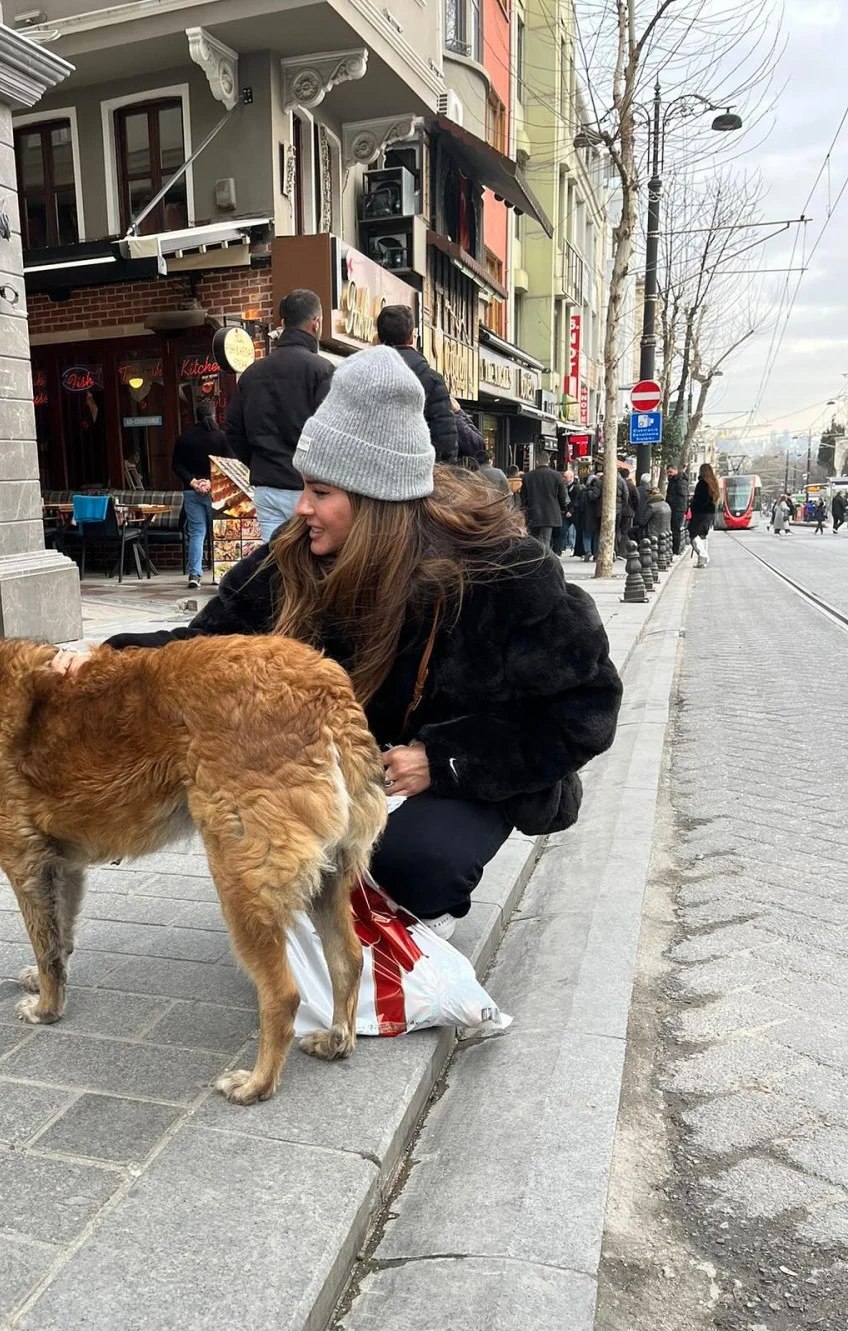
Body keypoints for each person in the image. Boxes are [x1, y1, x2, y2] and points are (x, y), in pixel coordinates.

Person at [53, 346, 622, 933]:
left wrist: (448, 761)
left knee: (414, 862)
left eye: (321, 492)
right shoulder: (292, 560)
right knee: (292, 850)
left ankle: (422, 909)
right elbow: (203, 649)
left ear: (377, 499)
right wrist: (106, 657)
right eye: (303, 487)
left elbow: (587, 708)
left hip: (467, 772)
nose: (302, 508)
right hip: (349, 769)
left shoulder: (502, 572)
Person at [225, 288, 334, 541]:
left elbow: (232, 429)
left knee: (274, 564)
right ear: (316, 322)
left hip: (267, 484)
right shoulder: (321, 370)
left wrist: (257, 462)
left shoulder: (252, 373)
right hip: (307, 486)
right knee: (312, 564)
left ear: (283, 323)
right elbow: (330, 431)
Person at [375, 304, 458, 464]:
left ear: (379, 338)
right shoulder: (432, 381)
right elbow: (445, 441)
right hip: (418, 476)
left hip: (372, 476)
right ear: (412, 337)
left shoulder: (365, 374)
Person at [172, 400, 232, 588]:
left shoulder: (184, 438)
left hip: (192, 491)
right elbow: (229, 464)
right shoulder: (222, 438)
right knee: (218, 534)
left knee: (197, 533)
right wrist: (211, 482)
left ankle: (194, 575)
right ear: (214, 415)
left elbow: (176, 465)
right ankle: (220, 574)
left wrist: (193, 481)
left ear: (196, 416)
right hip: (218, 492)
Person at [519, 454, 568, 548]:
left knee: (534, 540)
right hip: (550, 513)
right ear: (548, 462)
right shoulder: (556, 475)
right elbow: (562, 495)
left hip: (533, 512)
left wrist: (524, 509)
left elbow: (523, 497)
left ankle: (536, 559)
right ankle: (544, 558)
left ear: (536, 462)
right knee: (546, 539)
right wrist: (563, 508)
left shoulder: (528, 476)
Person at [689, 463, 719, 565]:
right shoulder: (713, 483)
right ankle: (702, 559)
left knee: (693, 535)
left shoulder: (702, 483)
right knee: (702, 535)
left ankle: (703, 556)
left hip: (700, 513)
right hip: (709, 513)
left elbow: (700, 500)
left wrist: (692, 503)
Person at [666, 467, 690, 555]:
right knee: (674, 529)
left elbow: (683, 496)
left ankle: (675, 550)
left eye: (670, 472)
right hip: (676, 507)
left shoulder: (680, 481)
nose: (669, 474)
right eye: (668, 472)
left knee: (675, 529)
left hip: (677, 508)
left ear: (676, 470)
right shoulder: (674, 480)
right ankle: (674, 549)